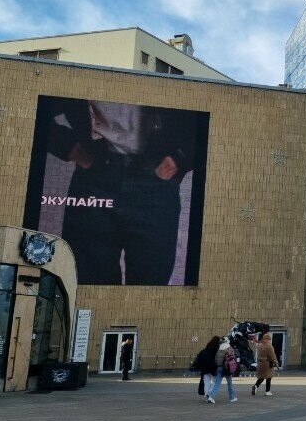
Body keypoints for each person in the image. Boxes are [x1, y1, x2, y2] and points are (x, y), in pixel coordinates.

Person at [41, 98, 199, 286]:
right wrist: (67, 146)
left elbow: (219, 121)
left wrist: (183, 158)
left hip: (156, 186)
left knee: (149, 290)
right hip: (93, 180)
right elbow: (33, 108)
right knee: (88, 285)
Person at [208, 337, 238, 403]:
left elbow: (216, 359)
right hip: (227, 368)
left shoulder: (219, 348)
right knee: (229, 384)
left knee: (217, 383)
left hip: (219, 368)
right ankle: (232, 397)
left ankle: (211, 397)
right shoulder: (229, 348)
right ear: (227, 341)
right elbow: (233, 358)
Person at [196, 336, 221, 403]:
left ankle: (207, 394)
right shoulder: (217, 348)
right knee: (215, 381)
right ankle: (210, 394)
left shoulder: (207, 347)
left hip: (205, 367)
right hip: (213, 367)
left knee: (206, 382)